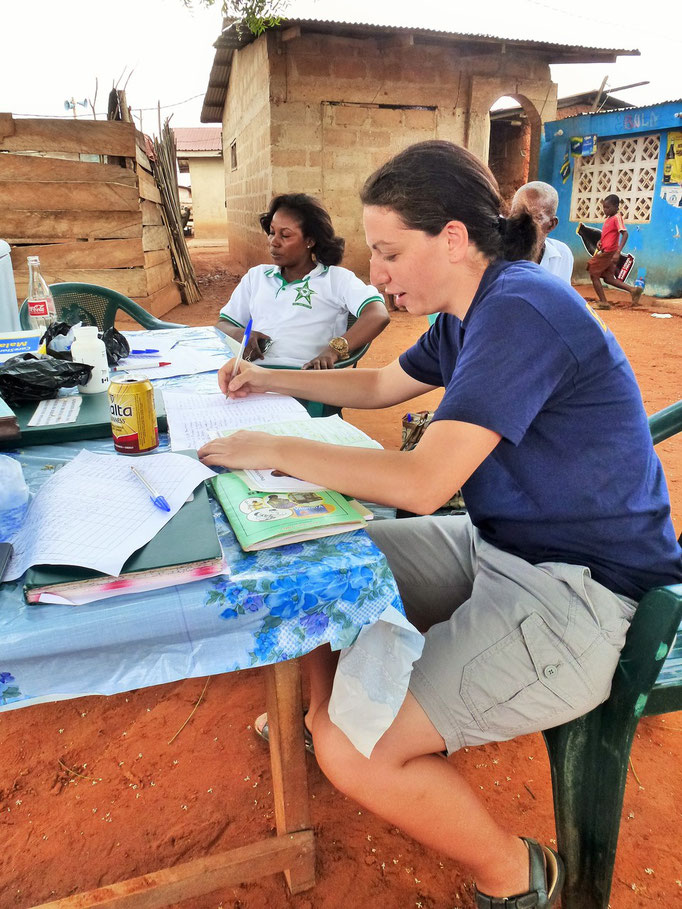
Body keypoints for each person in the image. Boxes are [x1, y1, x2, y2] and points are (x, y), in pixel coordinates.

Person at [198, 141, 682, 909]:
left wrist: (277, 447)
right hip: (504, 548)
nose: (379, 273)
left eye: (389, 252)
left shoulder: (521, 310)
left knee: (354, 749)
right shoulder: (471, 311)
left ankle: (519, 877)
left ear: (453, 238)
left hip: (585, 593)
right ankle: (324, 714)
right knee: (321, 553)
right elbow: (384, 381)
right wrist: (265, 376)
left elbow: (424, 483)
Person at [215, 193, 390, 368]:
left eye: (285, 235)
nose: (273, 242)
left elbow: (378, 315)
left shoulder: (335, 279)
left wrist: (333, 351)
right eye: (272, 232)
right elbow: (224, 324)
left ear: (310, 240)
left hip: (304, 378)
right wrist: (239, 334)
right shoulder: (256, 277)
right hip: (253, 376)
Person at [510, 181, 573, 283]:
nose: (521, 222)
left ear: (551, 224)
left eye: (534, 217)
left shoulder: (562, 254)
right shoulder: (494, 255)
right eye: (516, 213)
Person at [587, 193, 643, 307]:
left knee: (593, 273)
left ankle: (603, 302)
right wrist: (600, 242)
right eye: (604, 207)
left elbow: (625, 234)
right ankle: (633, 290)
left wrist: (618, 252)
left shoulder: (617, 218)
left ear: (616, 206)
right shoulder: (609, 219)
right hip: (606, 251)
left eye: (608, 207)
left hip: (609, 253)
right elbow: (609, 235)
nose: (605, 210)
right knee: (608, 278)